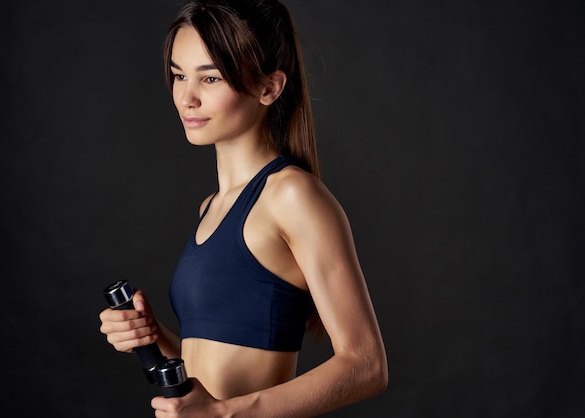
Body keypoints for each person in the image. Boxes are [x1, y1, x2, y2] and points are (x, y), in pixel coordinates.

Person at [98, 0, 388, 416]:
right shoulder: (211, 208)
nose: (187, 97)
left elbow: (366, 365)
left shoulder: (292, 196)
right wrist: (152, 335)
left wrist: (222, 415)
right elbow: (216, 373)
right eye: (179, 75)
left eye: (210, 78)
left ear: (269, 87)